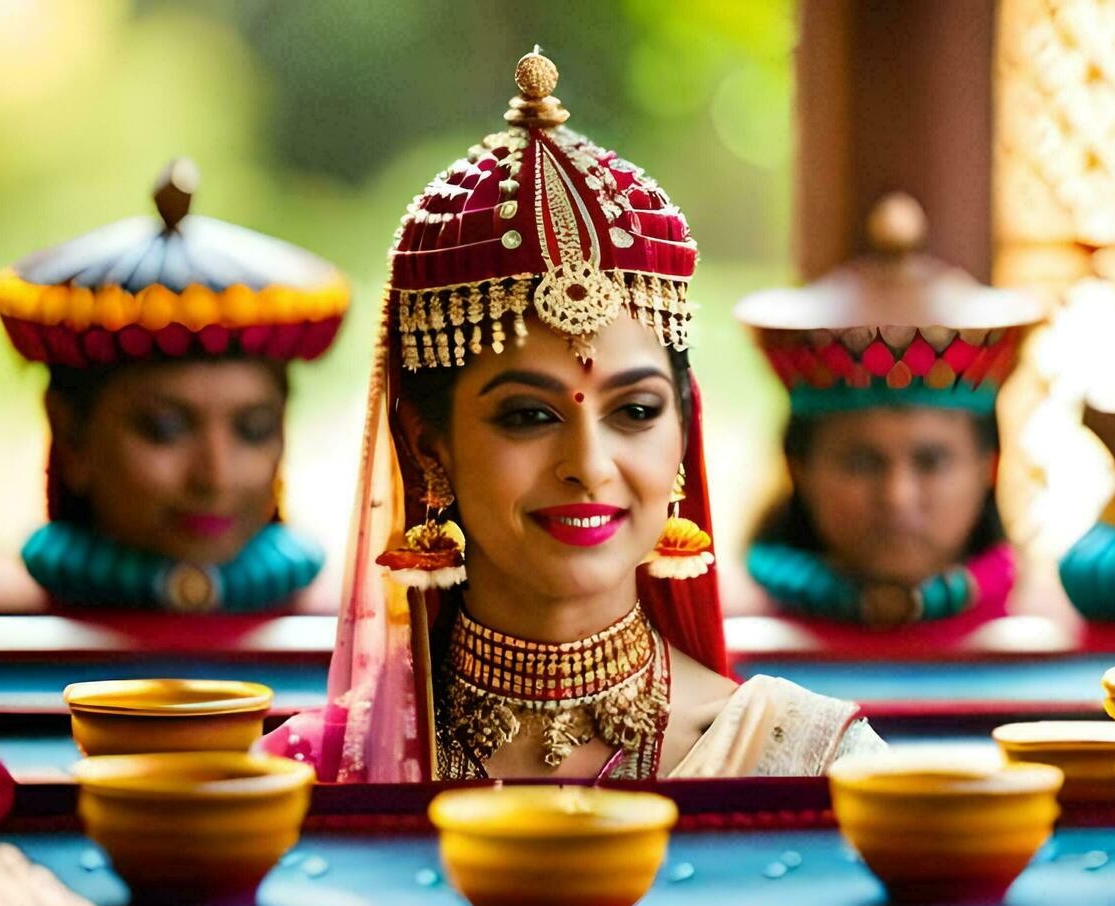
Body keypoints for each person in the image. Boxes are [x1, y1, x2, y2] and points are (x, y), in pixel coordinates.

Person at [262, 50, 884, 782]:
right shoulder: (321, 773)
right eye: (527, 416)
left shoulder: (805, 760)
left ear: (682, 432)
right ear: (430, 448)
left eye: (637, 411)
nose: (588, 465)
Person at [0, 160, 349, 612]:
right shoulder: (2, 632)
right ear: (71, 434)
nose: (215, 477)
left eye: (254, 430)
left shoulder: (362, 631)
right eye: (164, 429)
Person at [737, 193, 1042, 629]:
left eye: (932, 461)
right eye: (862, 462)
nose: (897, 497)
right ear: (798, 467)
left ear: (987, 467)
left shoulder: (1046, 630)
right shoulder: (724, 644)